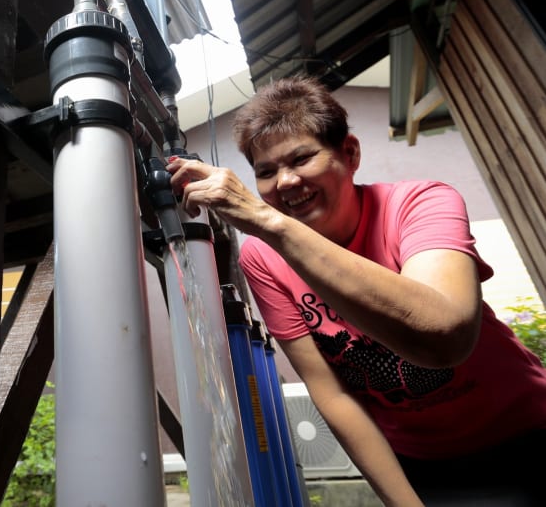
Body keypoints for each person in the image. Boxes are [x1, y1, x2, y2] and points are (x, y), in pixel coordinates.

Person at [166, 76, 546, 506]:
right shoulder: (264, 259)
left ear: (349, 154)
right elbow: (334, 395)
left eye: (301, 158)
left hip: (525, 430)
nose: (285, 182)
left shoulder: (420, 203)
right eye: (266, 172)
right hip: (421, 460)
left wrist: (269, 222)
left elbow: (446, 334)